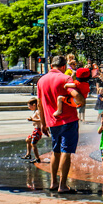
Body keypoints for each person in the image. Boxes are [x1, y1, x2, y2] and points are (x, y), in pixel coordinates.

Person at [37, 55, 84, 193]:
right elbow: (76, 96)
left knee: (55, 151)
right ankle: (63, 185)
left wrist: (43, 123)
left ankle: (53, 182)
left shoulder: (41, 80)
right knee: (66, 152)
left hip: (52, 122)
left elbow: (40, 104)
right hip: (68, 120)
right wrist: (81, 100)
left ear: (52, 66)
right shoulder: (65, 78)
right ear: (64, 66)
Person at [23, 97, 42, 163]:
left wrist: (32, 120)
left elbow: (41, 120)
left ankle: (37, 158)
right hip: (35, 130)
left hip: (38, 130)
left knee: (33, 144)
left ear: (34, 105)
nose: (28, 107)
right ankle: (28, 154)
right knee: (28, 139)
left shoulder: (38, 112)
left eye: (29, 106)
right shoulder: (35, 111)